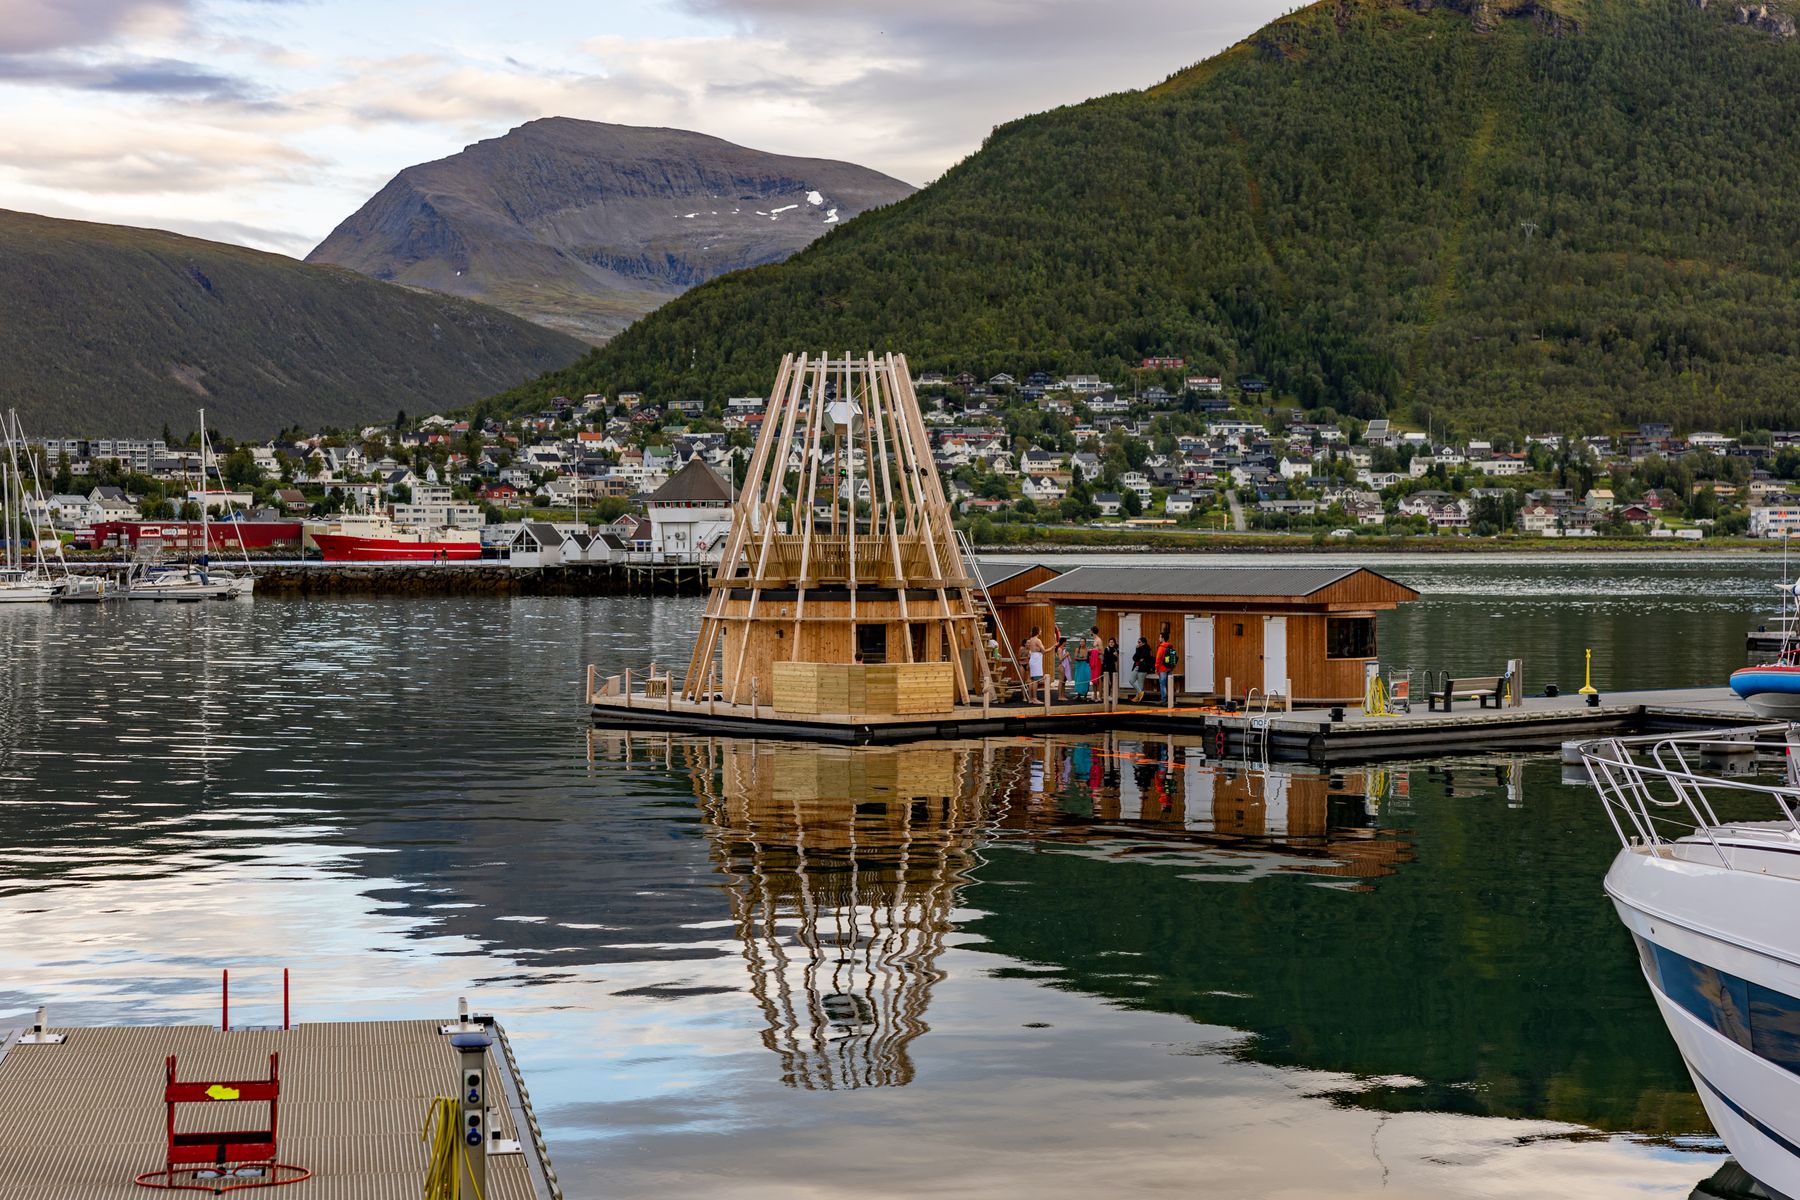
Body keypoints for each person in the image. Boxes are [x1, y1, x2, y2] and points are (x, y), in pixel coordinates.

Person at [1023, 626, 1045, 704]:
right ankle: (1035, 698)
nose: (1041, 631)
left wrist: (1038, 649)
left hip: (1032, 659)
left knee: (1032, 680)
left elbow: (1034, 649)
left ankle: (1030, 698)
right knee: (1036, 680)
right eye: (1040, 630)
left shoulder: (1031, 639)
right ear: (1037, 631)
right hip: (1036, 661)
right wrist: (1040, 649)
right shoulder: (1037, 640)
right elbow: (1043, 650)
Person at [1154, 624, 1174, 704]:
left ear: (1162, 638)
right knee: (1169, 684)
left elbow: (1158, 659)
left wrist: (1156, 668)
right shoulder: (1170, 646)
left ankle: (1163, 700)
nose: (1159, 638)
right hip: (1169, 668)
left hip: (1162, 668)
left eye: (1160, 637)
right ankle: (1170, 699)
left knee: (1163, 684)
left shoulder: (1161, 647)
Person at [1130, 636, 1154, 702]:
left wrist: (1138, 655)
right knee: (1131, 680)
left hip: (1143, 668)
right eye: (1138, 642)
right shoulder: (1138, 649)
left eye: (1139, 642)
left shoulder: (1146, 649)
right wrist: (1138, 653)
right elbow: (1134, 658)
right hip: (1136, 667)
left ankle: (1138, 698)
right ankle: (1140, 693)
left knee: (1140, 684)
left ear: (1143, 643)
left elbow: (1142, 656)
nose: (1138, 643)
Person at [1102, 637, 1119, 705]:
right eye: (1110, 642)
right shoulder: (1106, 649)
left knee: (1112, 682)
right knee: (1107, 682)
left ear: (1114, 643)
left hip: (1112, 667)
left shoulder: (1115, 650)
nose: (1111, 643)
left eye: (1112, 642)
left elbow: (1115, 660)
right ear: (1108, 643)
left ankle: (1112, 696)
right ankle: (1107, 696)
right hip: (1106, 667)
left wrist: (1115, 655)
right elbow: (1106, 657)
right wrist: (1113, 655)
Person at [1086, 639, 1103, 703]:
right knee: (1094, 680)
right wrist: (1091, 651)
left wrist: (1094, 651)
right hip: (1093, 665)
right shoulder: (1092, 649)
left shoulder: (1099, 648)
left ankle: (1100, 696)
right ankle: (1095, 696)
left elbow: (1102, 653)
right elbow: (1089, 654)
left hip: (1098, 664)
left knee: (1098, 680)